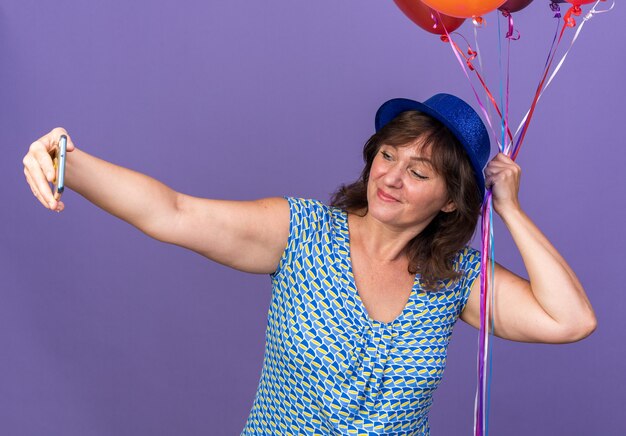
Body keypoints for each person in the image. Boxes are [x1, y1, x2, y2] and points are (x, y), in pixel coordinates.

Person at [22, 93, 596, 435]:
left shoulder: (455, 277)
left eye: (419, 172)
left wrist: (510, 210)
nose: (391, 176)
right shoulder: (302, 234)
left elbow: (570, 320)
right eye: (388, 155)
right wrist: (67, 159)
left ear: (451, 199)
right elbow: (172, 211)